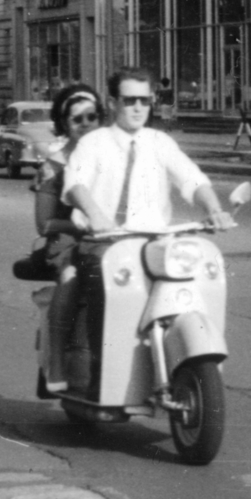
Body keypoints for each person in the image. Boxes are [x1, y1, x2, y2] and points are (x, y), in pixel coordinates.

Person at [62, 68, 234, 396]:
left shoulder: (160, 142)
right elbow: (76, 185)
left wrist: (214, 209)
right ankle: (97, 372)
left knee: (194, 280)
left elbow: (191, 179)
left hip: (154, 243)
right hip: (104, 241)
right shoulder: (93, 143)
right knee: (103, 287)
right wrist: (96, 214)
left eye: (145, 100)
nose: (139, 107)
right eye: (130, 100)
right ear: (113, 103)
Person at [16, 84, 103, 393]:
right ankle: (56, 363)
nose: (86, 124)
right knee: (71, 276)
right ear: (64, 123)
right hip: (69, 241)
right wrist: (80, 225)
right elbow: (44, 224)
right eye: (77, 119)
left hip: (111, 237)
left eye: (92, 117)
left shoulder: (114, 155)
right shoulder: (54, 165)